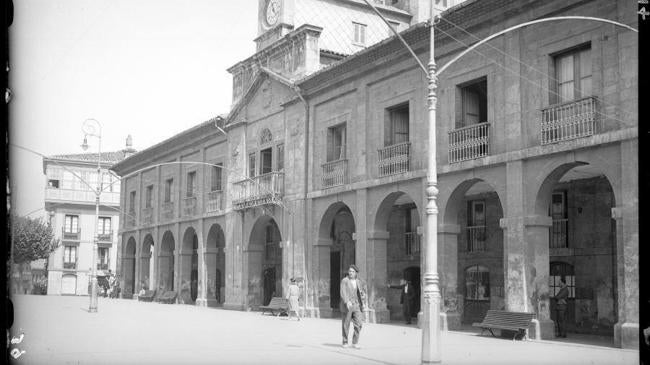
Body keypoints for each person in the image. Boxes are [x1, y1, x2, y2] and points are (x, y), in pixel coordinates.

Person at [340, 264, 367, 349]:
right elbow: (343, 291)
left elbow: (361, 292)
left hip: (357, 305)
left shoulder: (358, 281)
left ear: (356, 273)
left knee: (359, 323)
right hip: (348, 305)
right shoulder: (345, 280)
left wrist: (363, 299)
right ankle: (345, 341)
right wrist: (346, 301)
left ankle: (355, 342)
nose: (350, 273)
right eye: (349, 271)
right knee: (346, 324)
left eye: (352, 271)